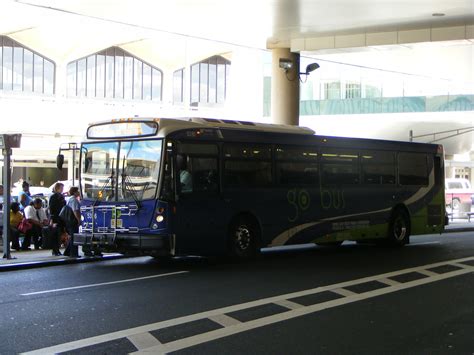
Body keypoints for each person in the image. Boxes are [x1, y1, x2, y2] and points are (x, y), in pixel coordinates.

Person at [48, 182, 65, 256]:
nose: (62, 189)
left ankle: (57, 249)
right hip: (55, 217)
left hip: (60, 217)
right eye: (61, 188)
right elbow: (51, 208)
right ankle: (55, 250)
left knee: (59, 234)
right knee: (55, 234)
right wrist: (52, 218)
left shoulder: (61, 196)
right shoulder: (54, 197)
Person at [63, 186, 81, 257]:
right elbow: (75, 211)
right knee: (74, 237)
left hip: (68, 220)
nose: (79, 192)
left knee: (72, 236)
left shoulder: (69, 199)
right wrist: (78, 220)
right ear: (74, 192)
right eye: (77, 191)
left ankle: (67, 252)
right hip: (73, 220)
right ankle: (73, 253)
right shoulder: (74, 200)